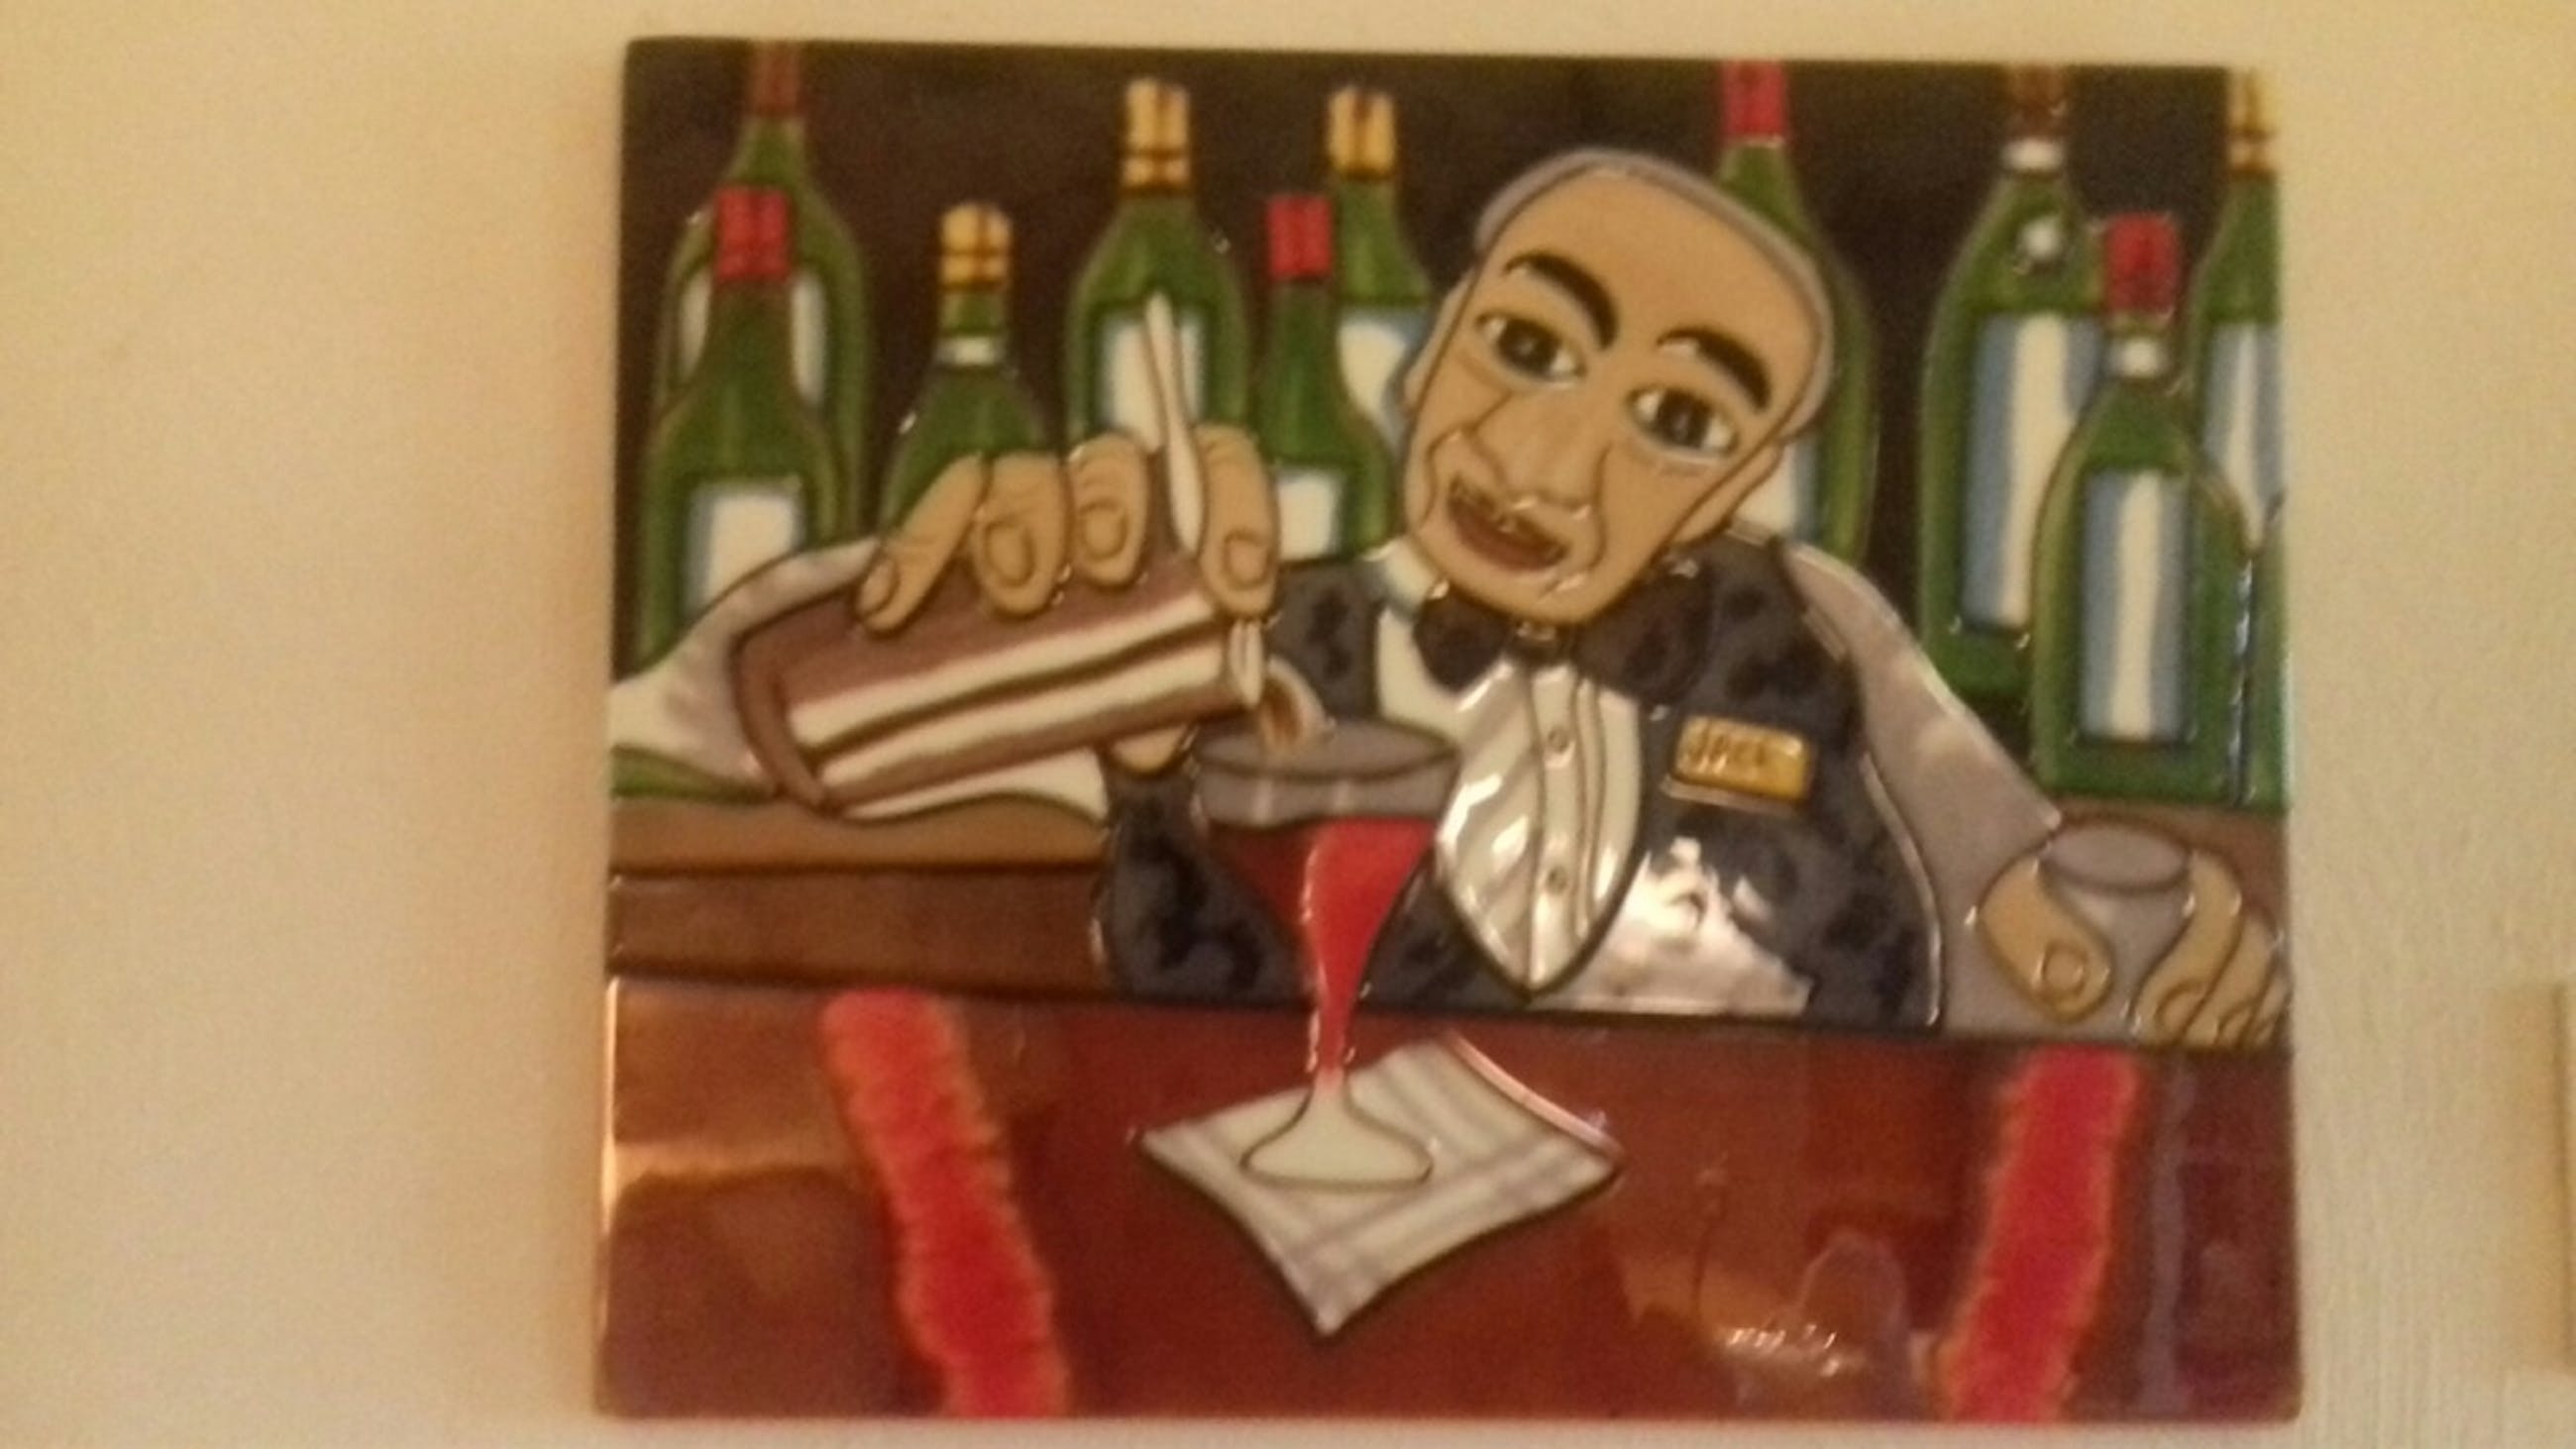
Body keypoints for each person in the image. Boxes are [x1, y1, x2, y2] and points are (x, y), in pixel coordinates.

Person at [610, 150, 2283, 1047]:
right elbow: (701, 729)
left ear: (1736, 487)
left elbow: (2025, 912)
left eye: (1676, 420)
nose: (1551, 459)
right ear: (1427, 351)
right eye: (1528, 346)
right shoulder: (1220, 645)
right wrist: (941, 595)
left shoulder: (1817, 630)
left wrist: (2178, 953)